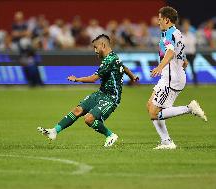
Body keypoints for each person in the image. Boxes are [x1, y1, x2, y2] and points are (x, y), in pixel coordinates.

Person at [38, 34, 139, 147]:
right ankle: (54, 131)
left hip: (111, 98)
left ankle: (110, 135)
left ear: (103, 45)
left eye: (96, 47)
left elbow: (93, 78)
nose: (95, 51)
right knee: (78, 110)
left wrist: (77, 79)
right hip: (101, 93)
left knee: (89, 119)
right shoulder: (113, 57)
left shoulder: (109, 61)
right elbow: (123, 66)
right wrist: (133, 76)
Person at [147, 6, 207, 150]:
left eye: (160, 18)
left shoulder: (169, 33)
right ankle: (166, 142)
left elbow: (171, 51)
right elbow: (182, 56)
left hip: (171, 78)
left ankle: (189, 108)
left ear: (167, 19)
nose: (158, 21)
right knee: (150, 105)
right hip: (172, 76)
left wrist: (160, 67)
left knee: (155, 113)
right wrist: (182, 63)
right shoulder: (177, 33)